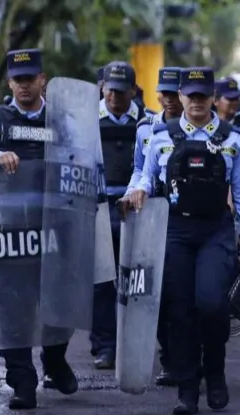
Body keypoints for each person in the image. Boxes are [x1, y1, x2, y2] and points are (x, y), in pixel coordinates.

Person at [122, 66, 240, 415]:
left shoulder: (232, 139)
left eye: (203, 95)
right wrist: (136, 192)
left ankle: (215, 372)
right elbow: (145, 175)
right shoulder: (160, 136)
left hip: (216, 230)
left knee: (212, 303)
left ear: (213, 97)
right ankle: (187, 387)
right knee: (179, 309)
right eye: (191, 95)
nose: (197, 102)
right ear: (181, 97)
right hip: (174, 231)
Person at [0, 49, 79, 409]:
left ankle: (55, 361)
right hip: (6, 230)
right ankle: (22, 380)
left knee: (56, 299)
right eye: (18, 79)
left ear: (43, 80)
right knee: (11, 306)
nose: (24, 86)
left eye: (31, 78)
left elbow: (79, 161)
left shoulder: (60, 119)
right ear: (10, 83)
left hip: (52, 227)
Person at [124, 66, 184, 386]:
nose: (169, 99)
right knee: (156, 291)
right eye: (165, 93)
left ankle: (190, 355)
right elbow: (139, 170)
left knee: (184, 291)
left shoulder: (199, 127)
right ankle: (169, 358)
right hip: (155, 215)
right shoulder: (146, 129)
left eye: (175, 93)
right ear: (157, 94)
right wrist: (133, 192)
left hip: (188, 216)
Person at [92, 61, 150, 370]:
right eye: (110, 91)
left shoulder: (148, 121)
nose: (114, 98)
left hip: (135, 209)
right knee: (102, 281)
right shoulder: (86, 120)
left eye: (121, 92)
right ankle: (104, 346)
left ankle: (134, 342)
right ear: (103, 89)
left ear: (132, 90)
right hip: (97, 207)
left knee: (135, 279)